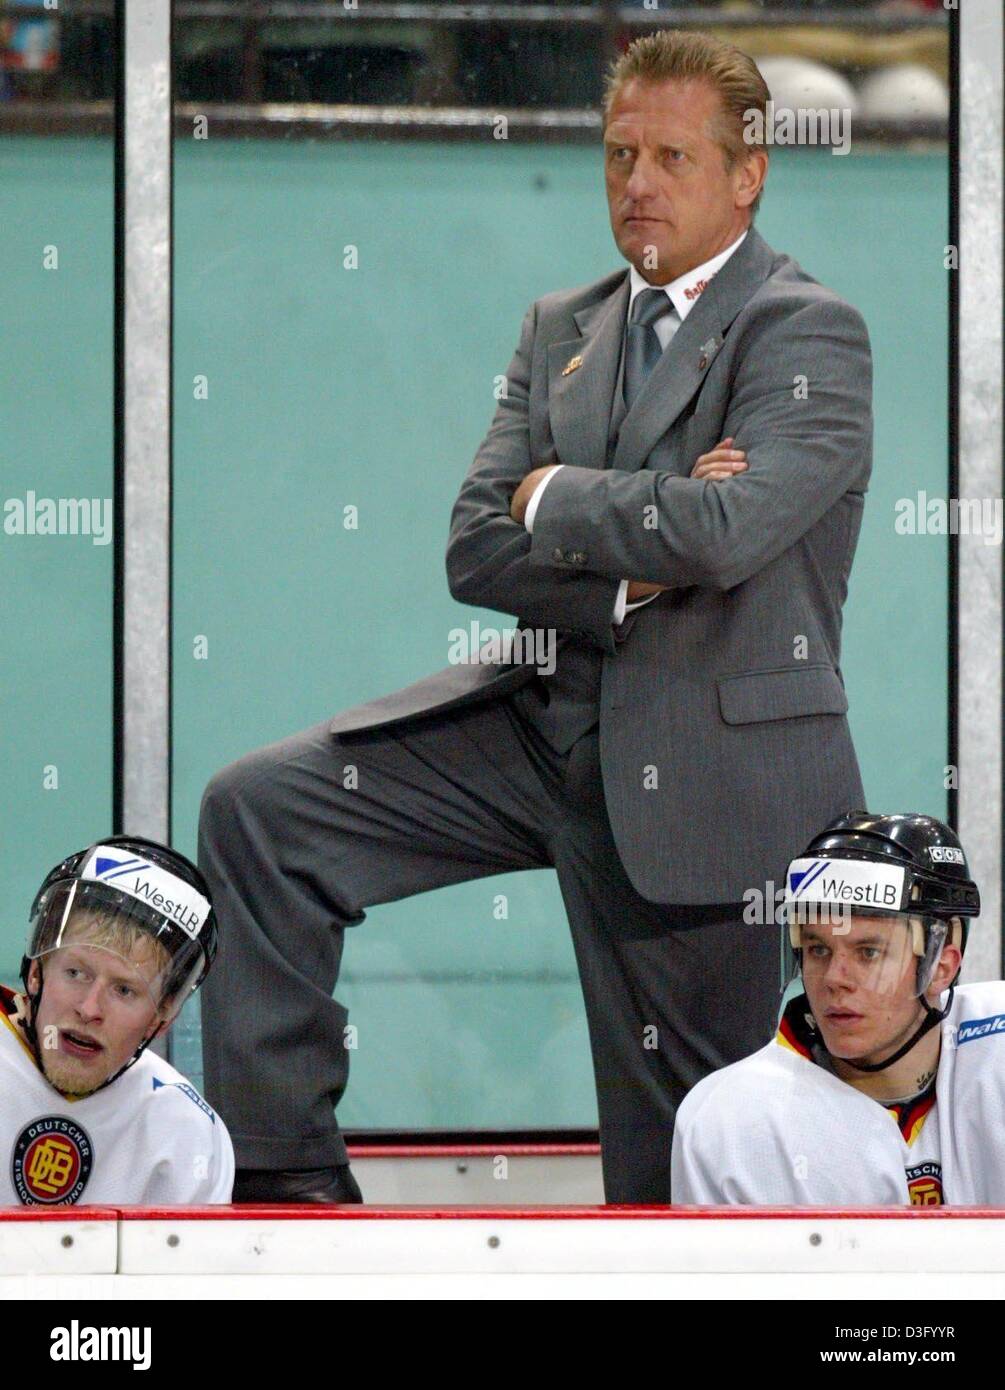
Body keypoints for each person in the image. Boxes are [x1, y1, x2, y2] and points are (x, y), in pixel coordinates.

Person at [198, 27, 872, 1205]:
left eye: (670, 157)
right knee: (262, 813)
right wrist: (631, 552)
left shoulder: (807, 330)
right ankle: (288, 1197)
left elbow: (727, 535)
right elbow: (475, 544)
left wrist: (556, 495)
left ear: (748, 172)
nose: (636, 185)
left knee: (678, 1163)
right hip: (542, 726)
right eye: (619, 156)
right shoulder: (561, 323)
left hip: (709, 769)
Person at [670, 812, 1004, 1207]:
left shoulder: (993, 1051)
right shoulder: (728, 1120)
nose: (834, 978)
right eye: (818, 949)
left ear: (940, 966)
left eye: (868, 952)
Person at [1, 836, 234, 1206]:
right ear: (36, 972)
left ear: (162, 1016)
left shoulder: (185, 1131)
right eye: (76, 973)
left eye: (125, 990)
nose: (89, 1009)